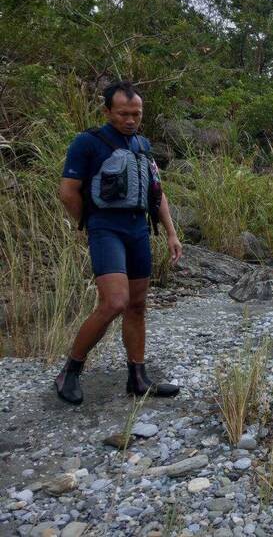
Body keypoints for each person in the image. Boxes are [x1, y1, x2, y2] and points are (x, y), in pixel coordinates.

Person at [55, 81, 182, 405]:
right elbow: (68, 191)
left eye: (136, 114)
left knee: (137, 306)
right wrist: (88, 223)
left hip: (138, 228)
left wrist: (171, 232)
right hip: (105, 228)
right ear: (107, 111)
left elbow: (156, 192)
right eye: (123, 114)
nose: (130, 120)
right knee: (114, 303)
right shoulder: (87, 143)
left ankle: (137, 378)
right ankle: (70, 371)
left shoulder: (142, 144)